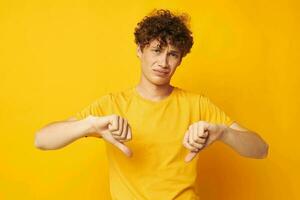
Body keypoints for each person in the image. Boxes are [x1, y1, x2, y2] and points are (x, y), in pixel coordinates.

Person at [34, 9, 269, 200]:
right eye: (156, 50)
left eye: (172, 54)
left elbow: (261, 150)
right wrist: (90, 125)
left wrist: (223, 132)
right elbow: (42, 140)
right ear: (139, 50)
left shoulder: (197, 104)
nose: (163, 62)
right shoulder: (111, 105)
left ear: (180, 60)